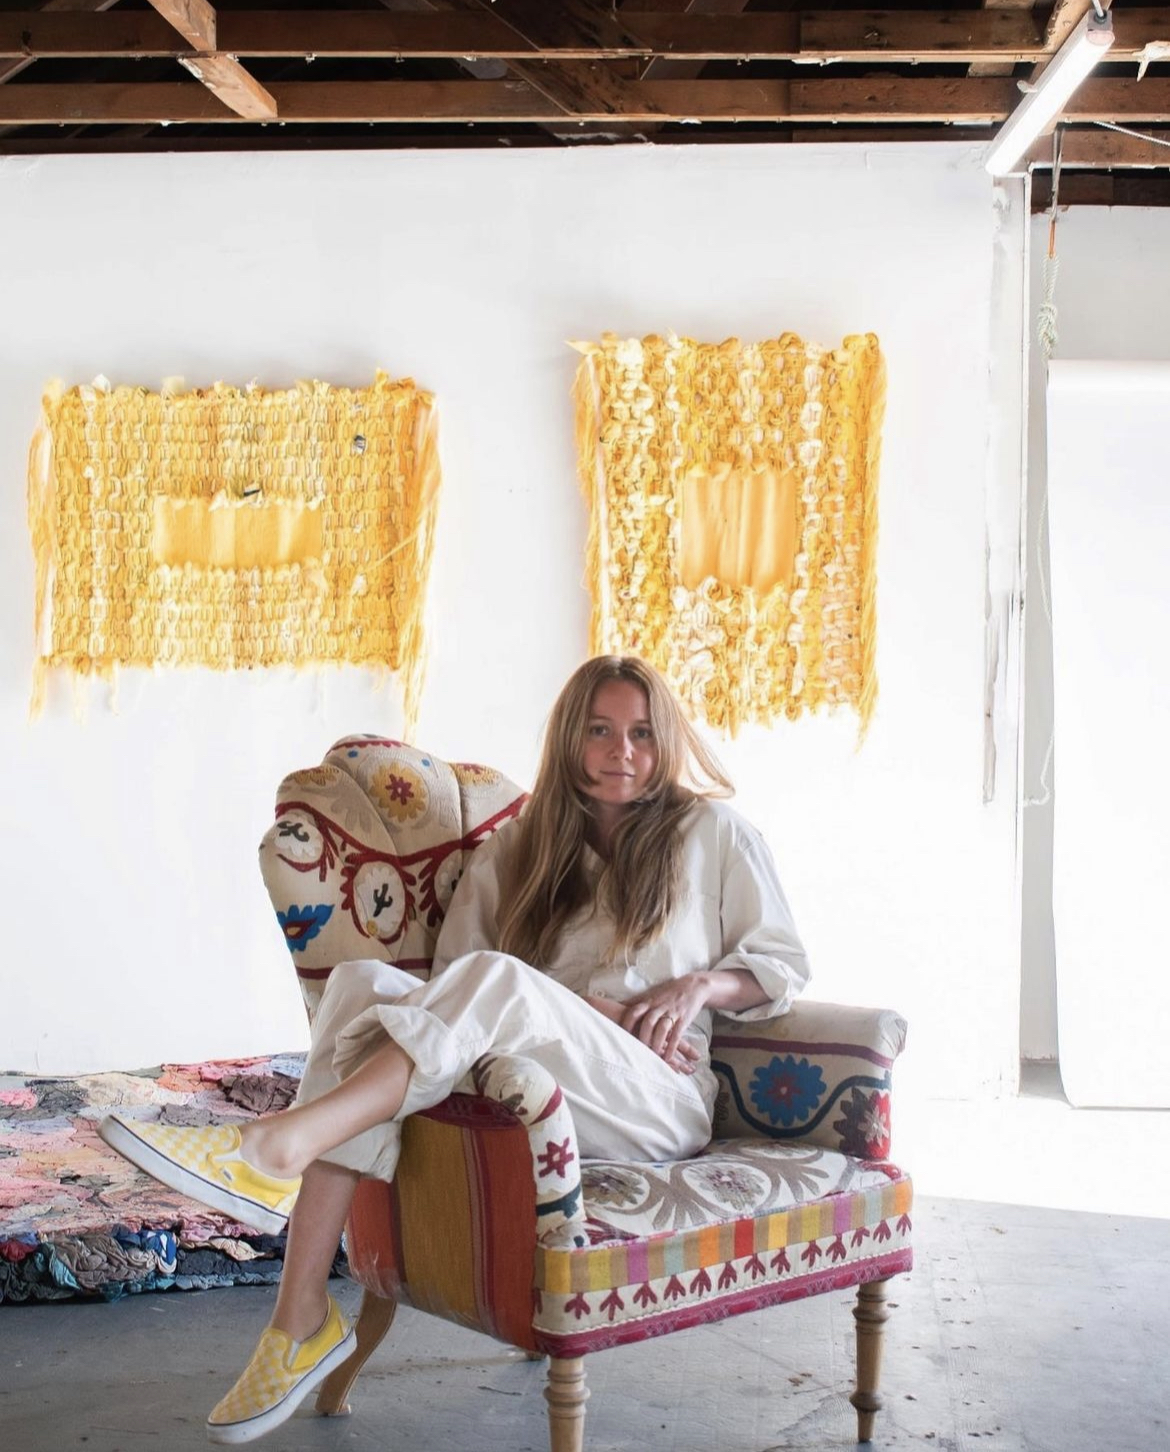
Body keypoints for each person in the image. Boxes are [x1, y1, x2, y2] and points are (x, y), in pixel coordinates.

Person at [100, 655, 810, 1445]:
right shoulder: (517, 853)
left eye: (643, 733)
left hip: (657, 1099)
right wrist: (582, 1006)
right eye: (602, 731)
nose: (624, 752)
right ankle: (297, 1312)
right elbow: (456, 993)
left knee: (494, 983)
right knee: (363, 983)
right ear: (571, 739)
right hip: (539, 1095)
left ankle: (279, 1144)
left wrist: (698, 989)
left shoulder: (714, 834)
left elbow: (780, 966)